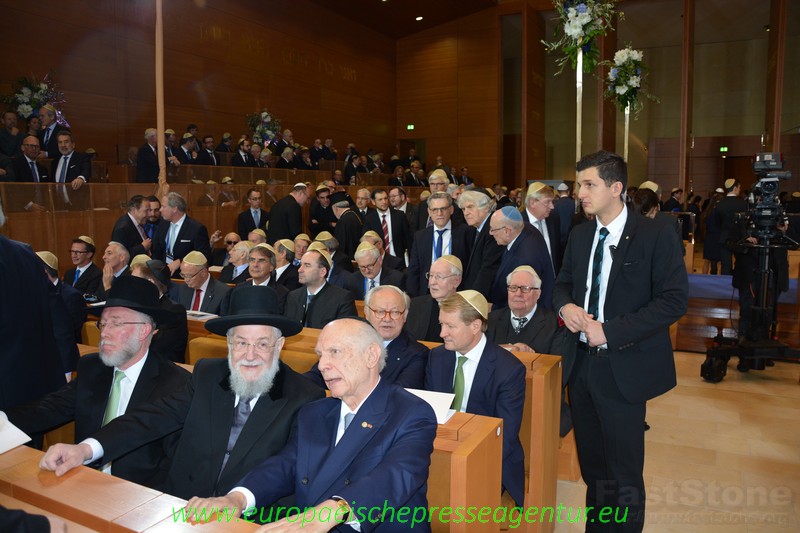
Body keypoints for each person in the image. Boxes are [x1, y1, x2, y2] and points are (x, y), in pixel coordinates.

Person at [38, 286, 324, 500]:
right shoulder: (208, 374)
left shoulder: (304, 395)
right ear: (228, 344)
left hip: (250, 516)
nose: (250, 355)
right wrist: (85, 449)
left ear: (280, 344)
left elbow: (288, 465)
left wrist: (238, 500)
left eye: (262, 344)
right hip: (181, 507)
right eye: (240, 343)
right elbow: (150, 418)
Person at [183, 318, 437, 530]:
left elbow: (396, 475)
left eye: (334, 352)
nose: (323, 365)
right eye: (320, 355)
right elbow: (286, 465)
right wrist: (236, 499)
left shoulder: (411, 412)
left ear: (371, 355)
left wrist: (333, 510)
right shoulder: (316, 412)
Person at [554, 150, 688, 532]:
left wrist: (609, 331)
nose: (580, 192)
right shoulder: (580, 234)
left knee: (624, 476)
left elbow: (673, 300)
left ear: (616, 188)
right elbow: (561, 284)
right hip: (581, 368)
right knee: (595, 471)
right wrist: (566, 309)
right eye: (580, 183)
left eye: (588, 184)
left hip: (623, 368)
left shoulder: (655, 232)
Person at [9, 276, 190, 489]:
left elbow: (176, 465)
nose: (104, 333)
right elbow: (49, 408)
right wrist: (3, 421)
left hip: (139, 496)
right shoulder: (93, 368)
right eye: (102, 323)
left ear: (144, 330)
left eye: (116, 323)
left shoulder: (176, 384)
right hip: (80, 482)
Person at [425, 290, 526, 507]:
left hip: (489, 460)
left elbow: (504, 438)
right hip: (441, 453)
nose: (442, 333)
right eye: (441, 324)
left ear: (475, 326)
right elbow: (428, 413)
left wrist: (462, 464)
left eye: (450, 326)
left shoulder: (508, 369)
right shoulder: (437, 357)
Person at [305, 285, 428, 389]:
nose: (387, 319)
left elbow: (398, 395)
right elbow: (316, 376)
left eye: (395, 312)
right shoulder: (347, 339)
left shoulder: (416, 354)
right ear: (367, 313)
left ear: (405, 316)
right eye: (380, 312)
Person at [407, 192, 475, 297]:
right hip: (428, 293)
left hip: (457, 293)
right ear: (429, 212)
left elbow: (471, 268)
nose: (439, 213)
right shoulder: (420, 236)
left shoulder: (466, 232)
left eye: (443, 209)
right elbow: (414, 270)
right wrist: (414, 298)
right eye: (435, 210)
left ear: (451, 210)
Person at [489, 206, 554, 310]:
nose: (490, 233)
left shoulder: (523, 260)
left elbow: (521, 299)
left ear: (507, 231)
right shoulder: (524, 228)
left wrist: (494, 308)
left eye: (493, 229)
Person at [487, 265, 559, 354]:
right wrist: (510, 348)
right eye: (513, 288)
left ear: (538, 293)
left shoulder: (553, 324)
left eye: (525, 289)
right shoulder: (491, 320)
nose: (518, 294)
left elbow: (557, 364)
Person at [285, 249, 357, 328]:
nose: (300, 270)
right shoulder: (293, 296)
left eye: (307, 265)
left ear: (322, 272)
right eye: (300, 265)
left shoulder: (342, 298)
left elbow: (346, 333)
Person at [152, 192, 212, 277]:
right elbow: (157, 250)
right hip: (163, 275)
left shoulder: (196, 228)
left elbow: (203, 255)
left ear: (174, 209)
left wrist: (180, 261)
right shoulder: (162, 225)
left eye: (163, 206)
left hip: (185, 278)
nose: (160, 210)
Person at [405, 255, 462, 343]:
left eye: (439, 277)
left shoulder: (467, 309)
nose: (432, 283)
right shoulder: (414, 305)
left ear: (456, 281)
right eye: (431, 276)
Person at [459, 189, 502, 295]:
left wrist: (473, 299)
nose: (466, 213)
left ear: (486, 207)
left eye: (470, 207)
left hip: (486, 298)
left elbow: (488, 269)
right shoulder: (475, 229)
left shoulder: (493, 229)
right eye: (463, 209)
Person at [364, 188, 411, 260]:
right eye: (380, 200)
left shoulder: (399, 215)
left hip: (398, 259)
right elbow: (367, 243)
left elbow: (408, 239)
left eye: (385, 198)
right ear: (373, 202)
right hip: (379, 260)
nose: (384, 202)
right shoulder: (369, 219)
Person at [713, 178, 748, 275]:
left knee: (726, 265)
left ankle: (725, 287)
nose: (740, 190)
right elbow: (745, 223)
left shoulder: (720, 204)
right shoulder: (742, 204)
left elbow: (717, 223)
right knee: (740, 264)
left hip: (724, 238)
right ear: (735, 188)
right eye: (739, 187)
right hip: (739, 238)